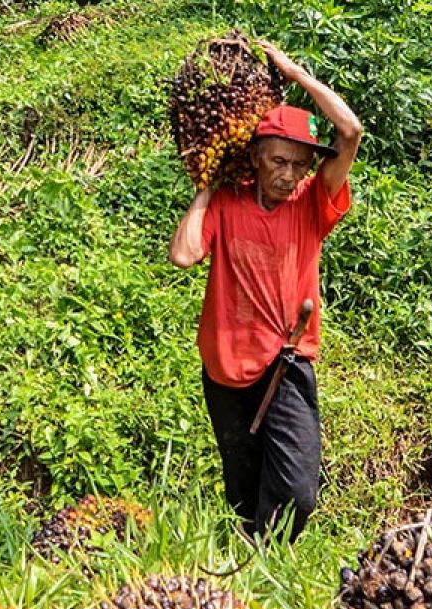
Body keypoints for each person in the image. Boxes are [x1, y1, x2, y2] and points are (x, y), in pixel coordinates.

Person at [169, 41, 362, 540]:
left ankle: (265, 551)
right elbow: (185, 254)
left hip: (286, 363)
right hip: (225, 368)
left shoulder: (311, 205)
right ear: (255, 157)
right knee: (243, 489)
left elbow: (350, 131)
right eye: (279, 161)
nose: (289, 174)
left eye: (299, 164)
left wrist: (297, 75)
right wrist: (207, 185)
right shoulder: (227, 203)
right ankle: (255, 570)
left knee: (298, 492)